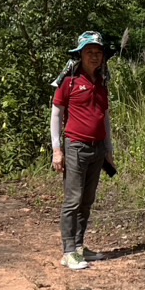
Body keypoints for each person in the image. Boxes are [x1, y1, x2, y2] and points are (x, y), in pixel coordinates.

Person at [52, 31, 116, 270]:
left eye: (98, 52)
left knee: (87, 200)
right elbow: (56, 114)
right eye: (89, 52)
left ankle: (79, 247)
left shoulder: (101, 83)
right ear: (80, 54)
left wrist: (109, 149)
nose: (94, 56)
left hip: (97, 149)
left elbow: (105, 117)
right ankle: (68, 251)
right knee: (73, 200)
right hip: (75, 146)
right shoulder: (68, 81)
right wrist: (56, 150)